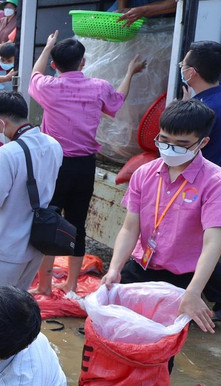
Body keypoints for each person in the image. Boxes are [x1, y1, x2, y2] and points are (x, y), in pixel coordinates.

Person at [103, 99, 221, 330]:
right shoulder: (144, 174)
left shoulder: (218, 184)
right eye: (164, 140)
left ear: (203, 142)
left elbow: (212, 245)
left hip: (181, 277)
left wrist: (193, 293)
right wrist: (114, 268)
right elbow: (129, 228)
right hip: (142, 265)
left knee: (162, 343)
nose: (170, 148)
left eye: (181, 144)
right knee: (119, 330)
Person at [28, 31, 145, 294]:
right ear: (83, 63)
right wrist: (130, 72)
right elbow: (116, 102)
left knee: (49, 221)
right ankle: (71, 285)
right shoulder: (99, 87)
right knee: (77, 223)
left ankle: (44, 285)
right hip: (84, 165)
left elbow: (34, 74)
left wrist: (47, 47)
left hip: (56, 166)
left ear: (55, 65)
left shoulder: (48, 87)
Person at [0, 92, 63, 289]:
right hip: (36, 243)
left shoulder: (7, 152)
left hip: (6, 246)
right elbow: (35, 178)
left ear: (2, 122)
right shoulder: (53, 145)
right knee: (15, 303)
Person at [178, 41, 221, 168]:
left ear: (191, 72)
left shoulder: (201, 110)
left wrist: (181, 111)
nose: (181, 68)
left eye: (183, 65)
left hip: (193, 179)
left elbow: (181, 151)